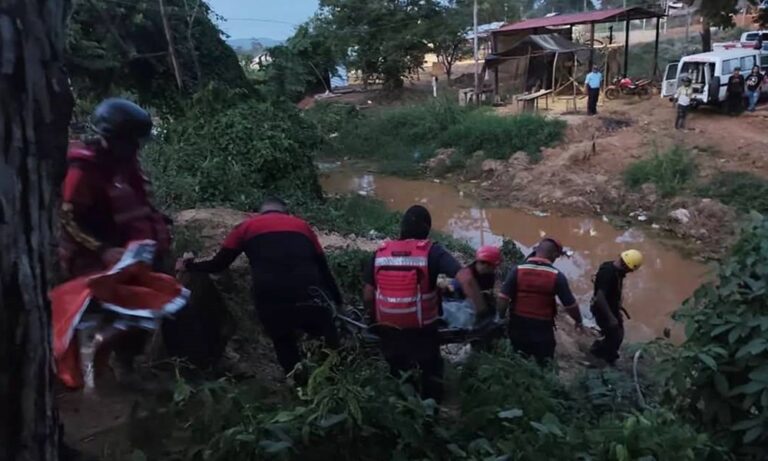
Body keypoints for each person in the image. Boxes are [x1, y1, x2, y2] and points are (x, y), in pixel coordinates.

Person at [59, 98, 172, 383]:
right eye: (131, 143)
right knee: (102, 316)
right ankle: (92, 377)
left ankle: (124, 366)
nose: (136, 149)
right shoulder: (83, 170)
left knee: (143, 310)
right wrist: (104, 250)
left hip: (133, 256)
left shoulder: (125, 166)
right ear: (111, 138)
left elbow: (140, 204)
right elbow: (68, 218)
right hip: (95, 259)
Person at [180, 197, 343, 378]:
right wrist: (337, 300)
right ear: (286, 212)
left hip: (270, 294)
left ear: (259, 212)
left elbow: (218, 264)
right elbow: (323, 267)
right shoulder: (302, 226)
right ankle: (334, 380)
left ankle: (299, 385)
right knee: (325, 337)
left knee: (283, 340)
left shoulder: (246, 227)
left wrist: (190, 266)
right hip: (310, 291)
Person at [362, 205, 461, 402]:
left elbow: (367, 295)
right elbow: (463, 276)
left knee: (399, 373)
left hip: (388, 329)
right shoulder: (432, 252)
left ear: (402, 227)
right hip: (422, 330)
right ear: (426, 229)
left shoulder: (380, 253)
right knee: (431, 371)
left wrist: (372, 318)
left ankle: (405, 411)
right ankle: (430, 418)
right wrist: (480, 307)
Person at [498, 238, 582, 365]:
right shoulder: (557, 276)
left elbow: (503, 298)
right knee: (544, 361)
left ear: (536, 250)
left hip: (517, 324)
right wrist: (578, 320)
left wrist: (500, 318)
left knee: (517, 358)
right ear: (554, 255)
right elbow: (570, 305)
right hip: (542, 327)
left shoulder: (517, 270)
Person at [589, 250, 643, 366]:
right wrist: (611, 318)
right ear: (626, 266)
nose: (629, 273)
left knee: (617, 334)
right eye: (629, 270)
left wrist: (618, 304)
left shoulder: (616, 270)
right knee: (615, 335)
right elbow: (600, 297)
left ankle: (605, 352)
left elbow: (613, 289)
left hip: (610, 307)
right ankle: (601, 356)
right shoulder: (608, 273)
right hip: (602, 310)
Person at [445, 245, 502, 319]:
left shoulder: (489, 275)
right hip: (458, 301)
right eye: (493, 266)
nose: (494, 269)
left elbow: (488, 291)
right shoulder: (466, 276)